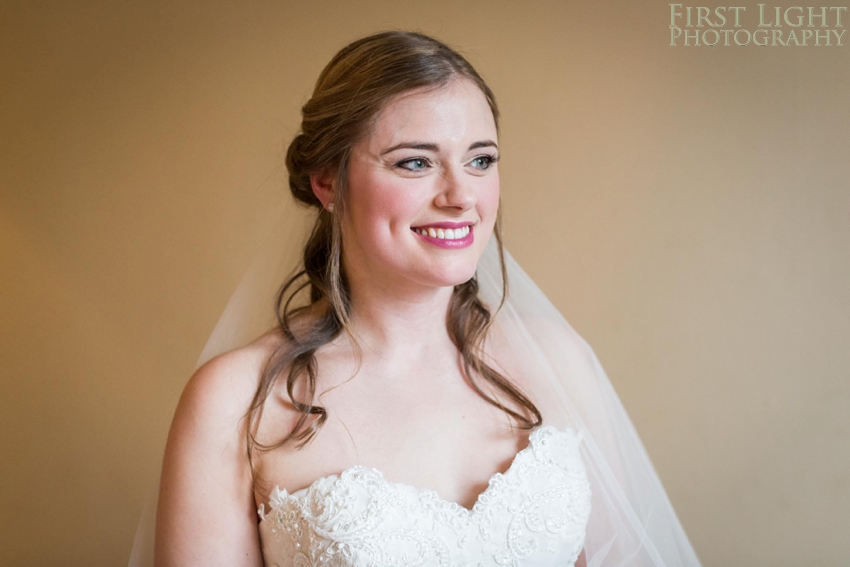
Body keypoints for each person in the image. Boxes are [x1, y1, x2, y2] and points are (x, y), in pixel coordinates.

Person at [149, 31, 701, 566]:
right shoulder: (238, 400)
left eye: (480, 160)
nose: (461, 196)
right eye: (416, 161)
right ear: (327, 181)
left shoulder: (557, 362)